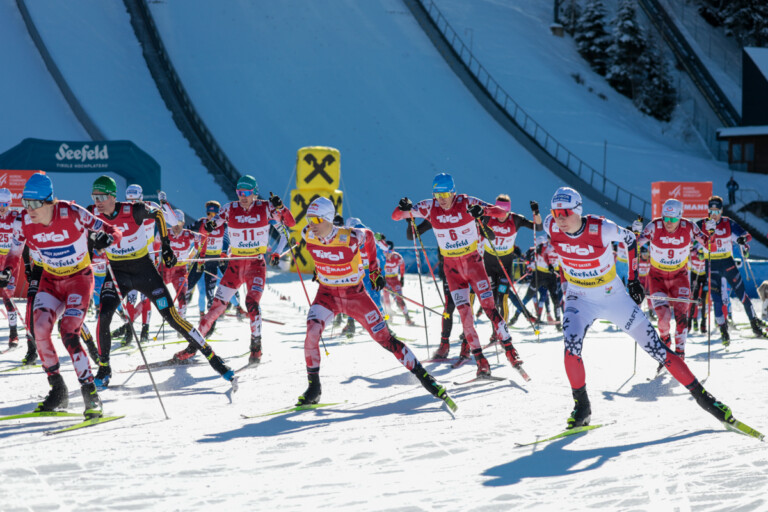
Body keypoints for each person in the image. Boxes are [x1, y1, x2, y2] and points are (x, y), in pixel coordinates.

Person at [544, 186, 740, 429]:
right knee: (571, 348)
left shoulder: (601, 227)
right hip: (579, 297)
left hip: (613, 296)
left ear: (578, 210)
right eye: (555, 212)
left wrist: (634, 279)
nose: (560, 218)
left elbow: (628, 239)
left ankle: (707, 400)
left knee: (657, 348)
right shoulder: (549, 225)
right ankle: (582, 406)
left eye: (564, 212)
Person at [296, 197, 454, 409]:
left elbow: (369, 237)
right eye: (308, 218)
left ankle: (426, 378)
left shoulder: (349, 237)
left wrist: (374, 271)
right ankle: (314, 388)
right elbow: (323, 254)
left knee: (385, 339)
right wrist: (321, 270)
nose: (311, 224)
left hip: (355, 296)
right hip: (327, 295)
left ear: (328, 219)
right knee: (311, 332)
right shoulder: (307, 234)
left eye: (316, 219)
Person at [88, 176, 234, 388]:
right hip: (117, 272)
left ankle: (212, 357)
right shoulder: (92, 212)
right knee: (104, 315)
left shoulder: (133, 210)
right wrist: (93, 243)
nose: (98, 201)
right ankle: (104, 368)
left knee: (172, 317)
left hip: (143, 270)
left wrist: (166, 246)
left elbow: (157, 213)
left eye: (101, 197)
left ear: (112, 196)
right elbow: (80, 230)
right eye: (95, 197)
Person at [0, 173, 122, 418]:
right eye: (25, 203)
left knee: (68, 331)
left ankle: (90, 394)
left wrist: (106, 239)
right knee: (39, 329)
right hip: (51, 281)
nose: (29, 209)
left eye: (34, 203)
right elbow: (15, 251)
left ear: (49, 201)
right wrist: (6, 271)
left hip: (78, 280)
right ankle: (58, 389)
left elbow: (114, 230)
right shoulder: (23, 220)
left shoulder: (73, 213)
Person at [392, 173, 524, 377]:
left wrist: (482, 211)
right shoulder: (429, 206)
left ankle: (510, 350)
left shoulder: (466, 202)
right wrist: (403, 207)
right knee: (465, 315)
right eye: (438, 194)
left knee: (490, 308)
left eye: (445, 193)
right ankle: (480, 361)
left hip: (474, 265)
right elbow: (396, 216)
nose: (442, 198)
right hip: (452, 269)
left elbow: (499, 212)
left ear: (453, 191)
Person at [174, 175, 295, 365]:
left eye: (247, 193)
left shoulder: (265, 207)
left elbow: (290, 225)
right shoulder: (230, 208)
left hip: (256, 266)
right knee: (216, 307)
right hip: (235, 266)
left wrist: (281, 208)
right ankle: (193, 346)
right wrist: (210, 226)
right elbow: (206, 230)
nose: (243, 196)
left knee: (252, 303)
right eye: (240, 193)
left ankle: (256, 347)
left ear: (254, 193)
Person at [638, 199, 709, 366]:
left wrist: (711, 233)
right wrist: (635, 234)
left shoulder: (690, 227)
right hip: (657, 278)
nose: (668, 223)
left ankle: (680, 352)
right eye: (666, 219)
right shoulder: (654, 227)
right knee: (663, 318)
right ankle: (665, 343)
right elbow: (635, 244)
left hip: (680, 277)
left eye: (673, 219)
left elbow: (708, 242)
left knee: (681, 316)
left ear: (680, 217)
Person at [695, 196, 765, 345]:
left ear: (721, 210)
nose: (714, 214)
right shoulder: (702, 224)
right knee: (717, 300)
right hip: (712, 265)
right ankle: (723, 330)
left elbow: (747, 235)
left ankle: (754, 324)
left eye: (717, 211)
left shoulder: (727, 223)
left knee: (743, 296)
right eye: (711, 210)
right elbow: (689, 238)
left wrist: (743, 241)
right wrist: (698, 252)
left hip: (728, 263)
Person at [480, 194, 541, 333]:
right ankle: (495, 330)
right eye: (498, 211)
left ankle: (502, 332)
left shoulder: (516, 219)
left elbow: (538, 228)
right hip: (489, 265)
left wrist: (536, 212)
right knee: (492, 302)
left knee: (503, 299)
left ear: (509, 210)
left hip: (505, 266)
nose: (501, 215)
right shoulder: (488, 216)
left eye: (504, 212)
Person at [162, 209, 205, 319]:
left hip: (180, 271)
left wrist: (193, 254)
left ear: (183, 223)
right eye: (174, 223)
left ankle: (182, 321)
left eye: (179, 223)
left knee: (182, 297)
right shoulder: (164, 233)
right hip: (164, 270)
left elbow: (202, 238)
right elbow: (154, 244)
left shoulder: (188, 234)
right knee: (156, 295)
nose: (176, 226)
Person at [187, 200, 225, 315]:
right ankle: (179, 312)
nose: (211, 217)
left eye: (214, 215)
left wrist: (225, 251)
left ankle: (210, 318)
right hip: (200, 259)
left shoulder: (224, 224)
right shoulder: (201, 222)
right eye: (209, 214)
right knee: (188, 286)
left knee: (211, 291)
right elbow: (186, 231)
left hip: (214, 260)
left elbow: (231, 237)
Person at [0, 188, 21, 349]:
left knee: (8, 298)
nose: (2, 207)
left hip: (10, 262)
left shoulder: (15, 217)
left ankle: (13, 333)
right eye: (0, 204)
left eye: (5, 204)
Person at [381, 240, 414, 325]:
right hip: (385, 281)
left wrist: (402, 278)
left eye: (389, 252)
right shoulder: (381, 257)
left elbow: (402, 267)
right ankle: (388, 318)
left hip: (395, 280)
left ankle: (407, 319)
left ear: (393, 250)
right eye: (385, 252)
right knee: (386, 300)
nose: (387, 254)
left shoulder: (397, 257)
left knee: (400, 299)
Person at [688, 244, 708, 332]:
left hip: (705, 277)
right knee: (694, 298)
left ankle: (703, 323)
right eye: (699, 253)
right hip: (695, 275)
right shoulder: (692, 254)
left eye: (702, 253)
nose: (700, 255)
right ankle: (690, 321)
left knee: (704, 299)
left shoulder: (708, 255)